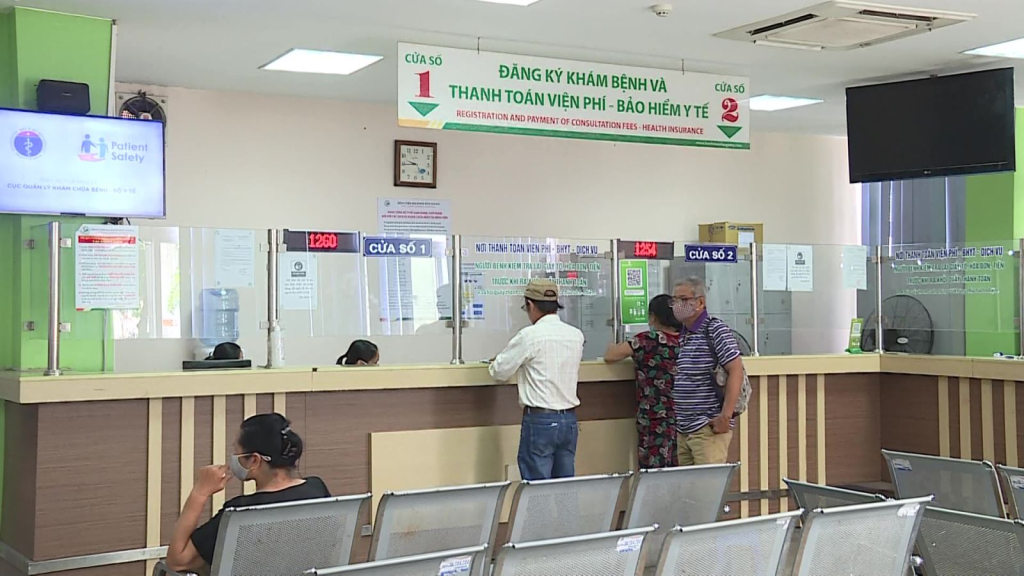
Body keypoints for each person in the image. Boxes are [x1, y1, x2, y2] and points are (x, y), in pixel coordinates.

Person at [165, 413, 330, 572]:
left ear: (254, 460)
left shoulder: (240, 512)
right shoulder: (317, 489)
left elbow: (177, 561)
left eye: (237, 451)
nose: (233, 457)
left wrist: (200, 492)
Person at [489, 279, 584, 481]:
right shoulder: (576, 335)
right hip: (569, 421)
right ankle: (566, 505)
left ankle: (540, 506)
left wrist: (499, 360)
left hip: (540, 420)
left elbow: (499, 372)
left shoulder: (529, 336)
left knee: (537, 488)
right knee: (565, 486)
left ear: (530, 305)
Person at [603, 294, 683, 468]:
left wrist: (612, 346)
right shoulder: (688, 340)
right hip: (684, 416)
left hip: (653, 417)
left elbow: (611, 356)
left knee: (654, 470)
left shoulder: (646, 340)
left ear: (653, 316)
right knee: (680, 467)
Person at [672, 277, 744, 466]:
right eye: (675, 300)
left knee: (708, 483)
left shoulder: (715, 330)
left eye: (683, 299)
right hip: (684, 429)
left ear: (700, 302)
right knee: (688, 484)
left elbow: (736, 370)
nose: (677, 305)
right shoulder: (685, 334)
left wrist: (725, 416)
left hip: (708, 428)